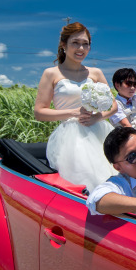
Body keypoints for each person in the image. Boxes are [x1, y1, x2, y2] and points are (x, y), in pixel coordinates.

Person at [34, 22, 117, 191]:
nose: (81, 48)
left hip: (100, 130)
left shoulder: (95, 73)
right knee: (90, 179)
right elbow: (39, 112)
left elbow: (113, 106)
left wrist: (97, 117)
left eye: (85, 44)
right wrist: (72, 112)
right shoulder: (51, 73)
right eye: (75, 43)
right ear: (63, 45)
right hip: (72, 136)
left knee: (117, 172)